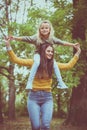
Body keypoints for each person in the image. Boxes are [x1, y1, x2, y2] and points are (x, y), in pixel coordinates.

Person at [5, 38, 81, 130]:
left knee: (45, 125)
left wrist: (77, 53)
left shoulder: (53, 65)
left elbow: (68, 65)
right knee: (36, 127)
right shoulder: (34, 63)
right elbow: (16, 59)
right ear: (43, 51)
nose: (50, 53)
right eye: (48, 51)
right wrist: (8, 45)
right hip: (33, 98)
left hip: (47, 98)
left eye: (52, 52)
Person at [8, 20, 79, 90]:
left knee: (55, 65)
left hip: (47, 59)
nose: (44, 29)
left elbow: (62, 42)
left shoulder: (52, 39)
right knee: (37, 62)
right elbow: (26, 38)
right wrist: (15, 38)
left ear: (49, 29)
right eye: (42, 28)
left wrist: (73, 45)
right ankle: (29, 82)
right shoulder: (36, 37)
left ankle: (60, 82)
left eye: (46, 28)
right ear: (39, 30)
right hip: (38, 55)